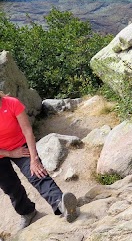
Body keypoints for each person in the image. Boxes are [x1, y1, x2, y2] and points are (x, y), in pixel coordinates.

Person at [0, 92, 77, 230]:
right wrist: (10, 153)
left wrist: (34, 159)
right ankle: (27, 212)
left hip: (21, 145)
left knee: (37, 173)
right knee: (10, 187)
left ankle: (61, 203)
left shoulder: (11, 103)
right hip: (1, 153)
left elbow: (27, 130)